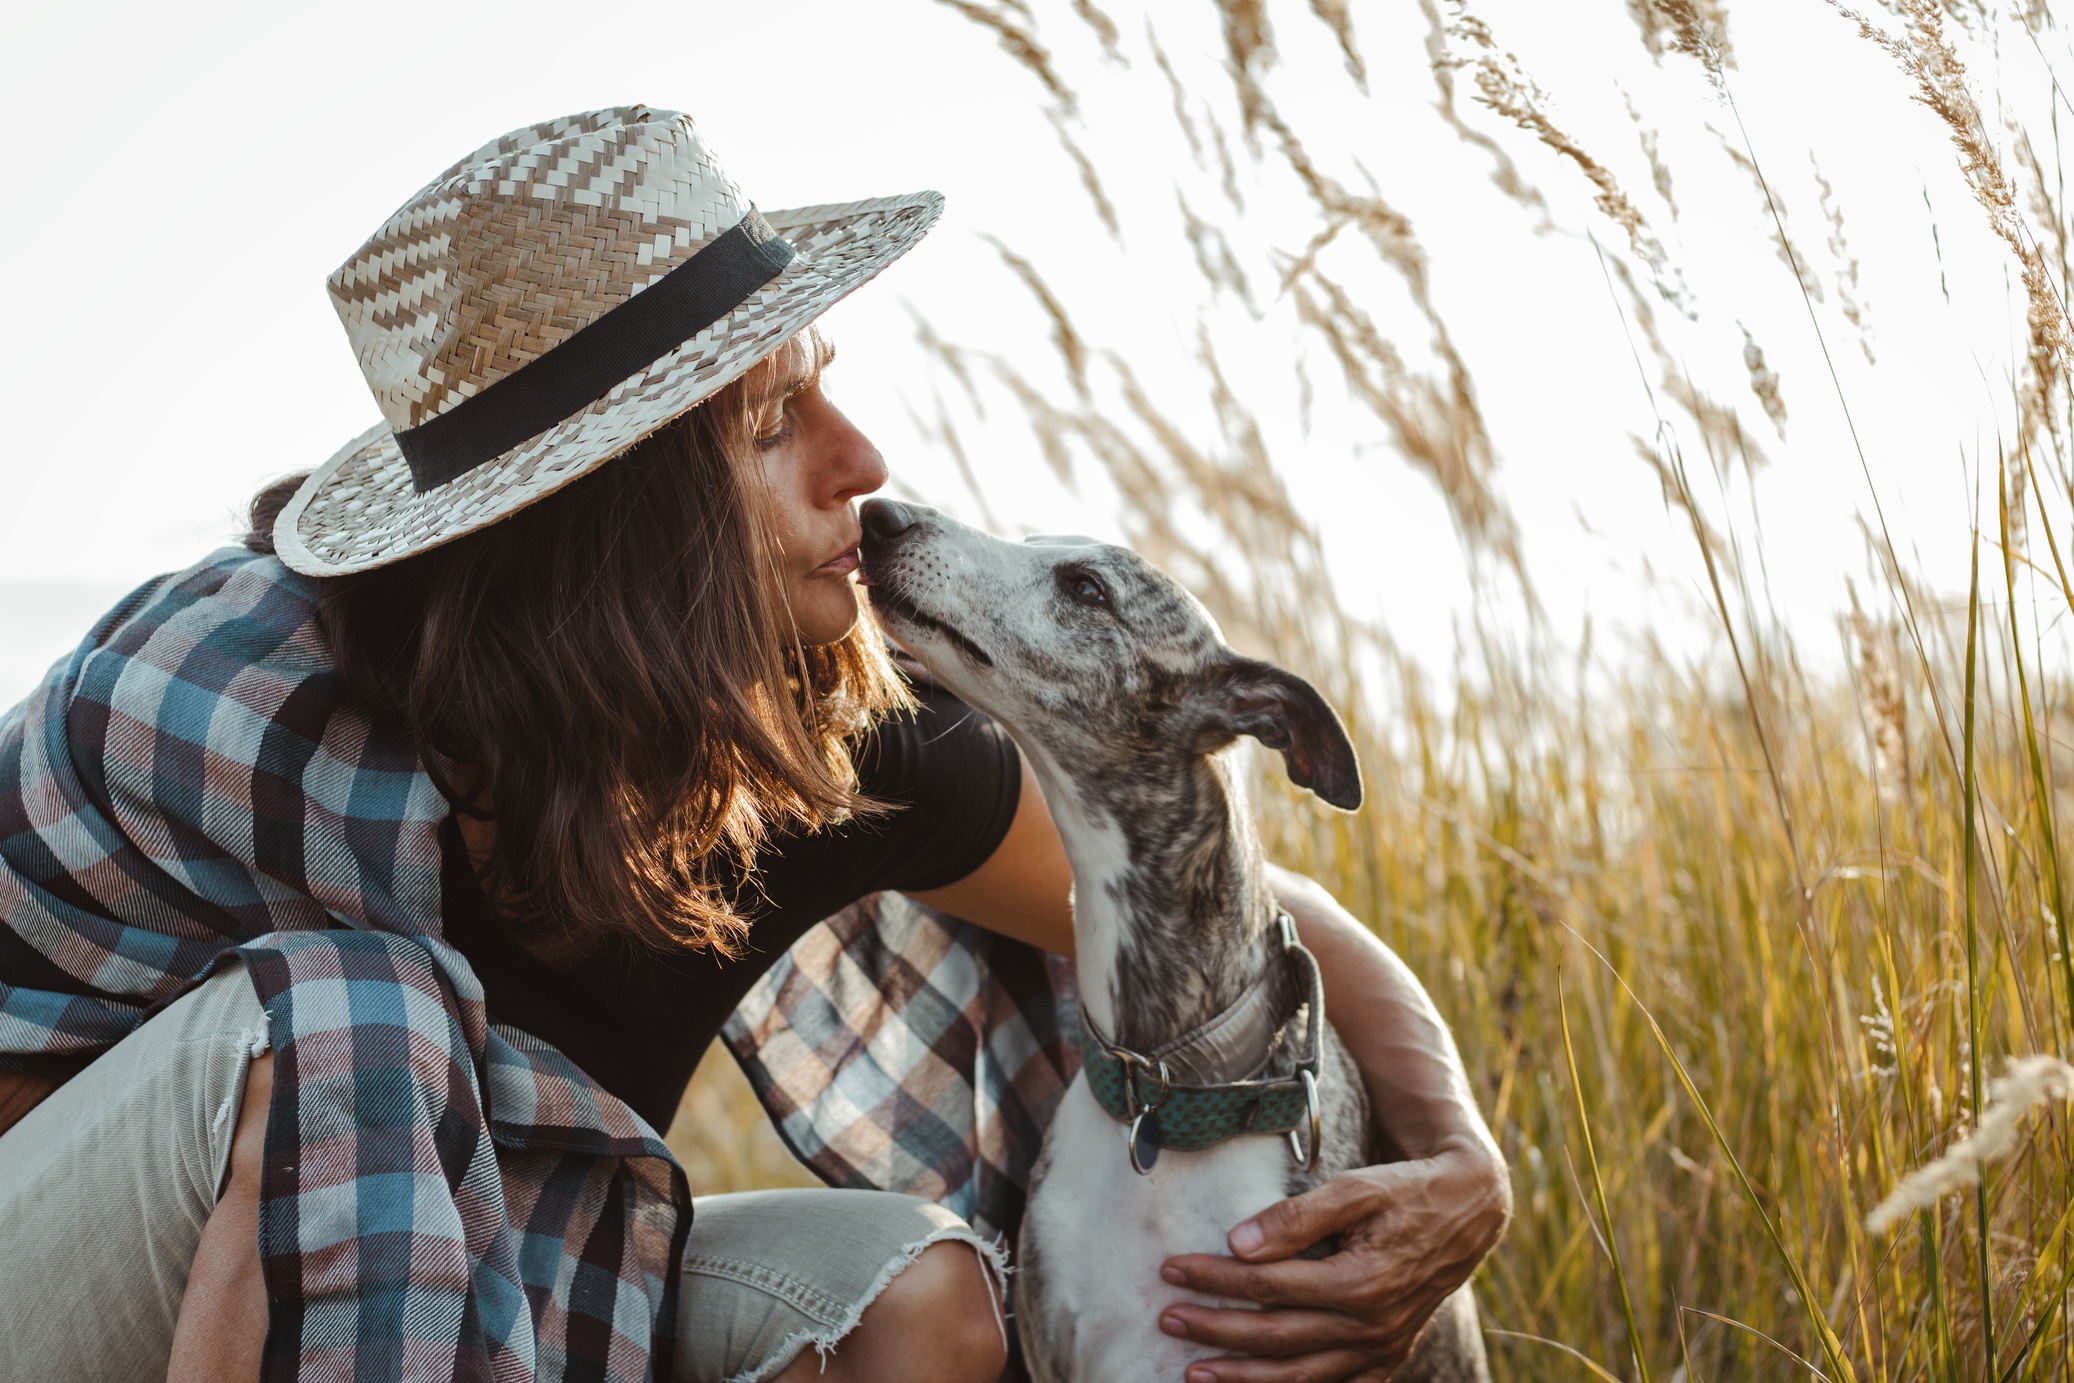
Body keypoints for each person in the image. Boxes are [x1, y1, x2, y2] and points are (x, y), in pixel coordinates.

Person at [0, 106, 1508, 1383]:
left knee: (913, 1292)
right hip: (90, 1291)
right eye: (774, 420)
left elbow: (1239, 912)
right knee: (360, 1012)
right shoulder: (199, 699)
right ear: (610, 511)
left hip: (491, 1279)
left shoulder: (806, 720)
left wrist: (1460, 1168)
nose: (861, 464)